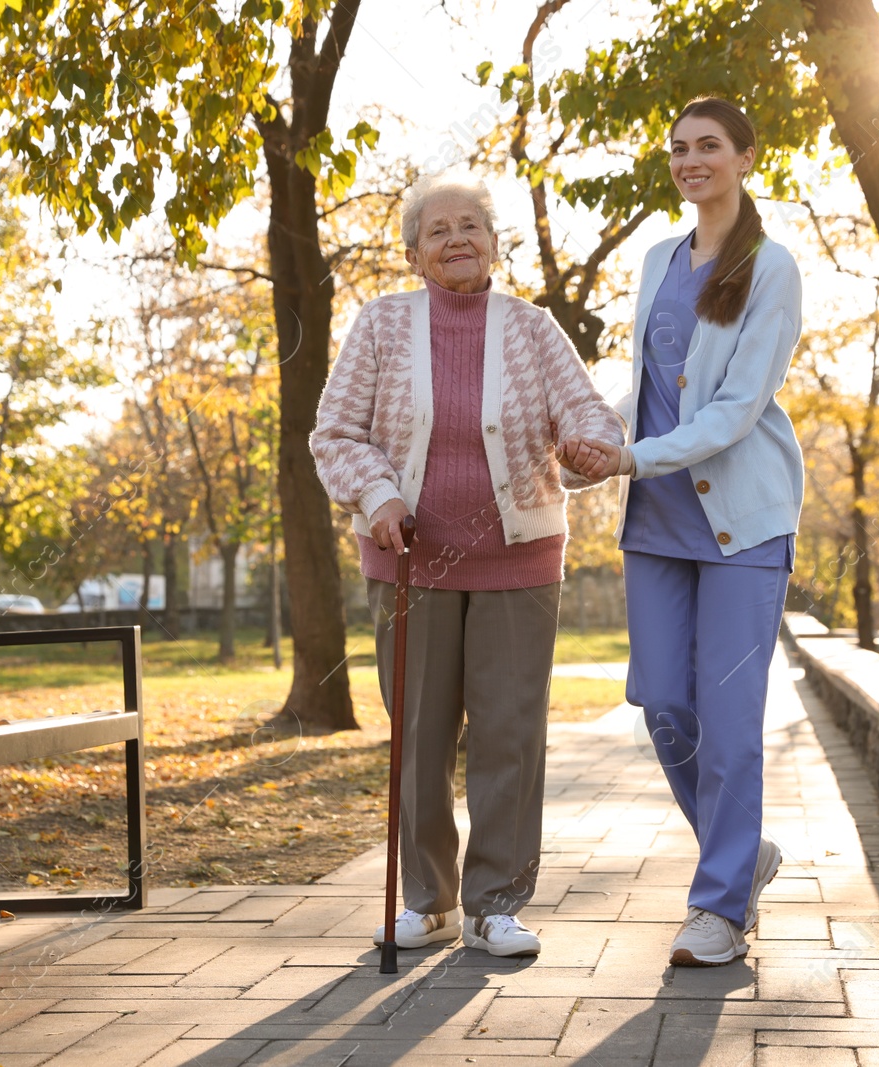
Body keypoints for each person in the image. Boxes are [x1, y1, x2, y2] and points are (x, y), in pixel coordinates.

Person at [311, 171, 625, 958]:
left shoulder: (531, 327)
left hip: (519, 562)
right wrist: (378, 496)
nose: (457, 240)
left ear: (493, 243)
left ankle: (497, 903)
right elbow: (335, 433)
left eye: (471, 227)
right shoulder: (381, 325)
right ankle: (430, 900)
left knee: (509, 735)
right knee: (417, 735)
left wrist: (589, 445)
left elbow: (585, 411)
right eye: (439, 230)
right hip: (409, 560)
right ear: (414, 252)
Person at [558, 97, 804, 967]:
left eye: (708, 146)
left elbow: (737, 408)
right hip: (656, 520)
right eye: (679, 149)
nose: (691, 160)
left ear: (744, 156)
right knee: (664, 706)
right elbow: (655, 388)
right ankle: (744, 858)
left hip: (741, 523)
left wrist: (635, 458)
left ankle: (720, 909)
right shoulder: (660, 258)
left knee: (731, 718)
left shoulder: (771, 267)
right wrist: (602, 448)